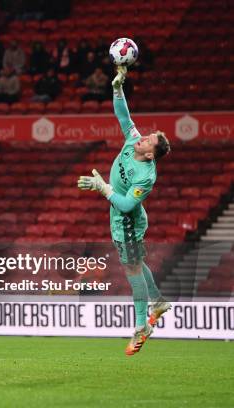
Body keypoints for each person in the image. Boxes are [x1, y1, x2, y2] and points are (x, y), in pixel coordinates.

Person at [77, 66, 172, 356]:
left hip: (127, 222)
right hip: (119, 220)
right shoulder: (134, 141)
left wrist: (101, 187)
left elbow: (127, 204)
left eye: (149, 140)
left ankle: (142, 326)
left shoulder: (147, 175)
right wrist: (118, 87)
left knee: (131, 270)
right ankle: (158, 301)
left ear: (151, 154)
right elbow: (123, 115)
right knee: (137, 264)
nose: (143, 137)